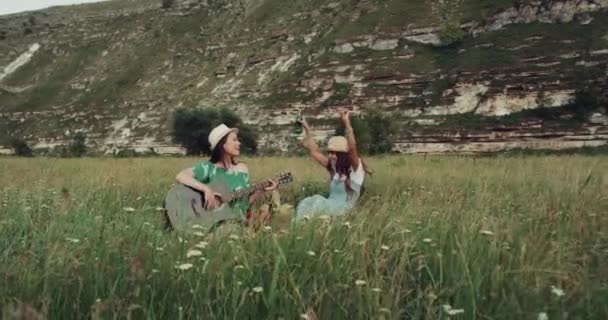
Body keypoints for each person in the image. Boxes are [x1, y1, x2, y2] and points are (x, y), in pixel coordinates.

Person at [173, 123, 278, 230]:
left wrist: (261, 190)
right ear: (222, 145)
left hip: (241, 222)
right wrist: (206, 189)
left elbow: (245, 203)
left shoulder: (242, 169)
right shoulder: (208, 168)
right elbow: (181, 176)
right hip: (218, 224)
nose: (239, 143)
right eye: (234, 140)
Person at [294, 108, 371, 221]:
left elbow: (353, 147)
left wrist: (347, 123)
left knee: (317, 203)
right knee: (307, 202)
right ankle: (298, 229)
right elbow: (315, 152)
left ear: (343, 155)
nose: (330, 156)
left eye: (334, 153)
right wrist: (308, 130)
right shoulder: (334, 168)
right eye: (329, 152)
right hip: (329, 205)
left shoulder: (355, 169)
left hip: (343, 210)